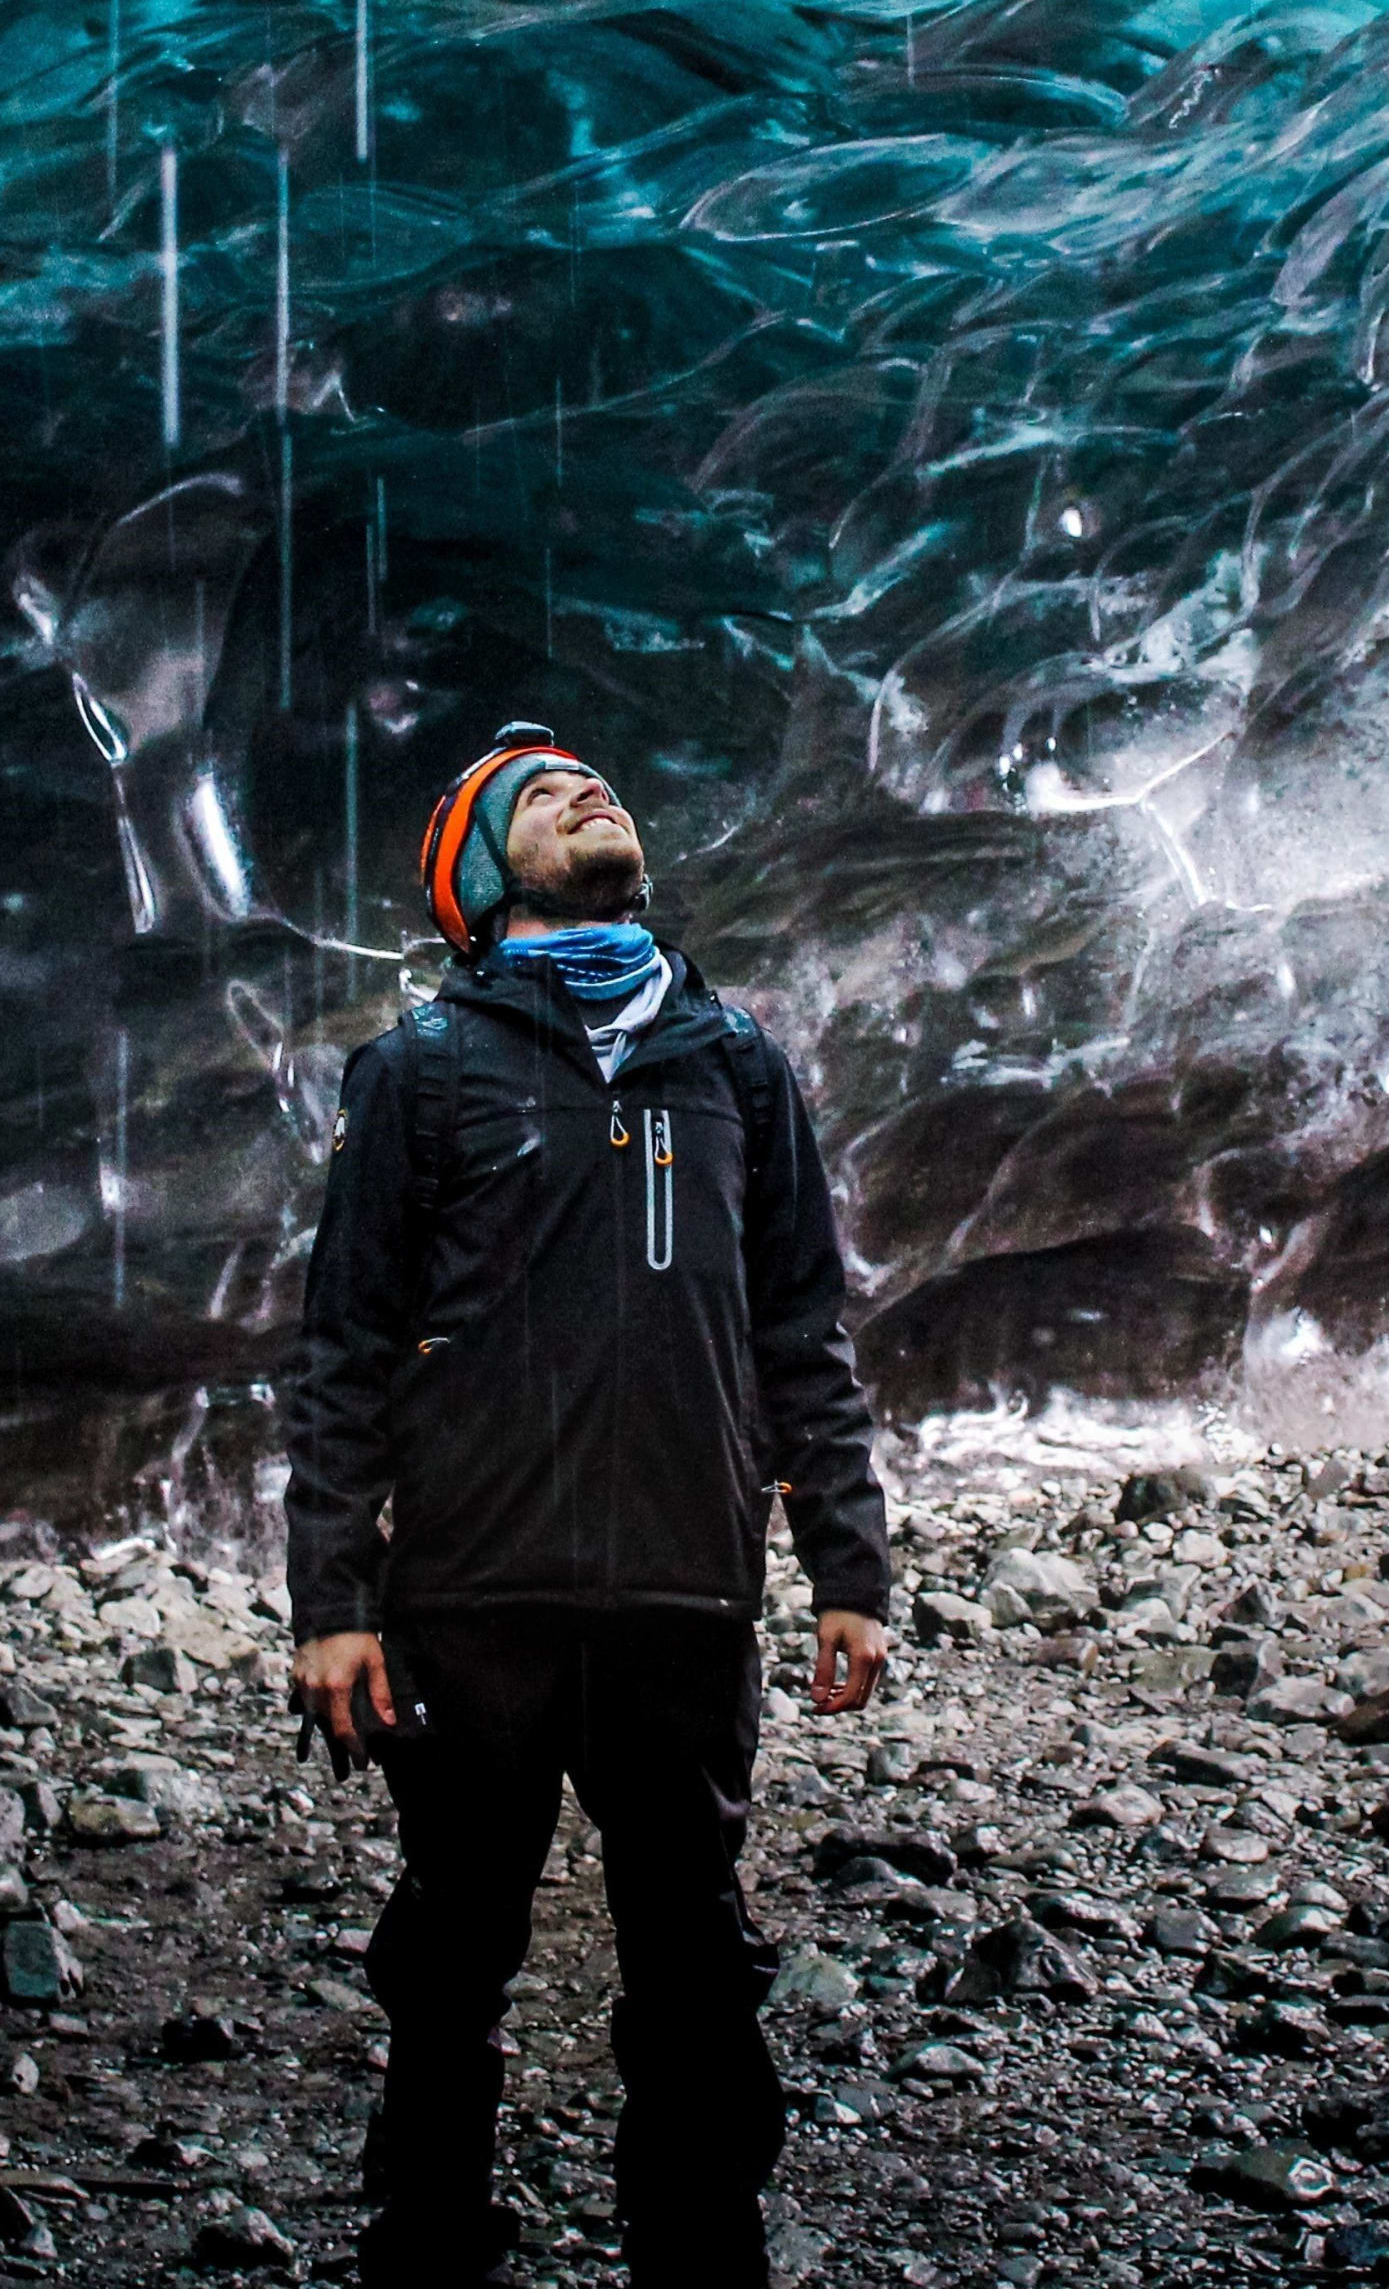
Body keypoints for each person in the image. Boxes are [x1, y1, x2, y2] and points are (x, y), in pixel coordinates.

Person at [284, 721, 895, 2289]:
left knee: (694, 1964)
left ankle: (698, 2263)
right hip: (471, 1606)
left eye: (598, 781)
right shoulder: (420, 1068)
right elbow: (344, 1347)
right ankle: (429, 2259)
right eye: (535, 798)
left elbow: (801, 1331)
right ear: (482, 881)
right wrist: (334, 1602)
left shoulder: (736, 1061)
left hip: (687, 1603)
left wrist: (849, 1563)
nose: (586, 787)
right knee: (451, 1960)